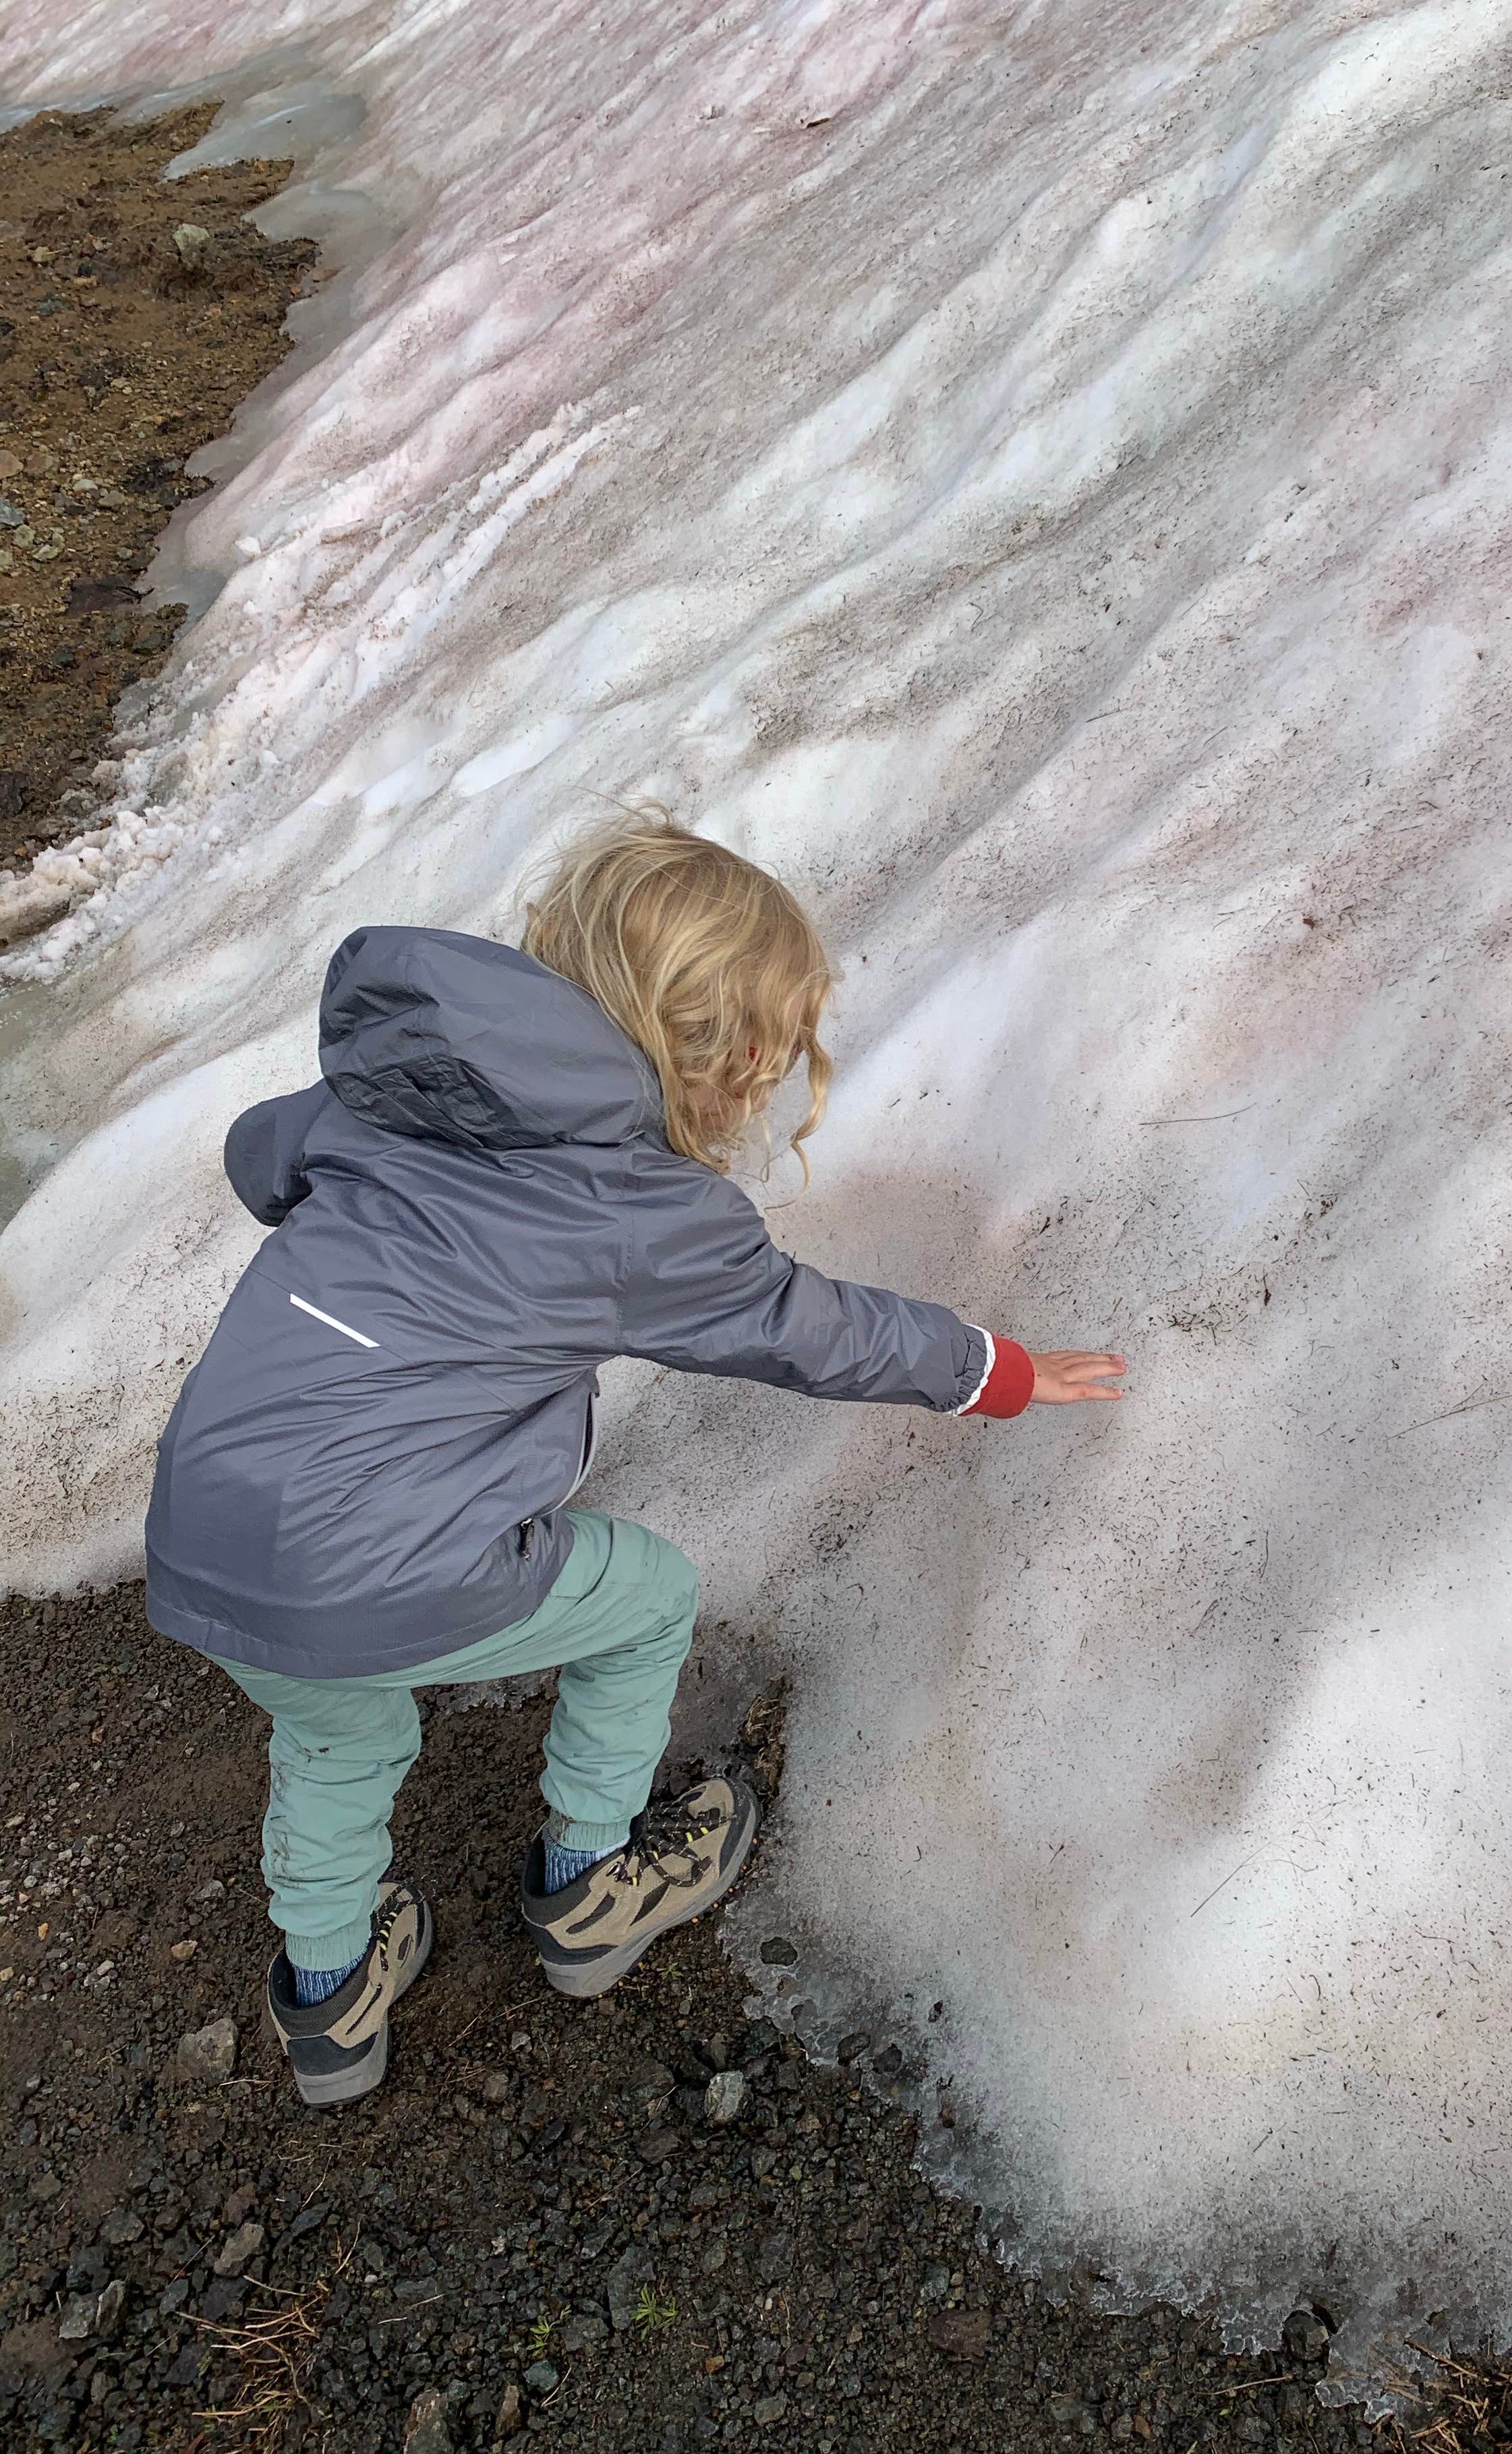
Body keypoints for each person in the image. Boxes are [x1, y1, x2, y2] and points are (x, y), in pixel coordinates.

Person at [144, 814, 1125, 2107]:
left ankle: (328, 2002)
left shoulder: (386, 1094)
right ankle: (592, 1889)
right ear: (738, 1061)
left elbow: (255, 1157)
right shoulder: (640, 1211)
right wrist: (992, 1371)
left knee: (334, 1728)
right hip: (381, 1561)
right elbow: (804, 1330)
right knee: (647, 1596)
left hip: (206, 1538)